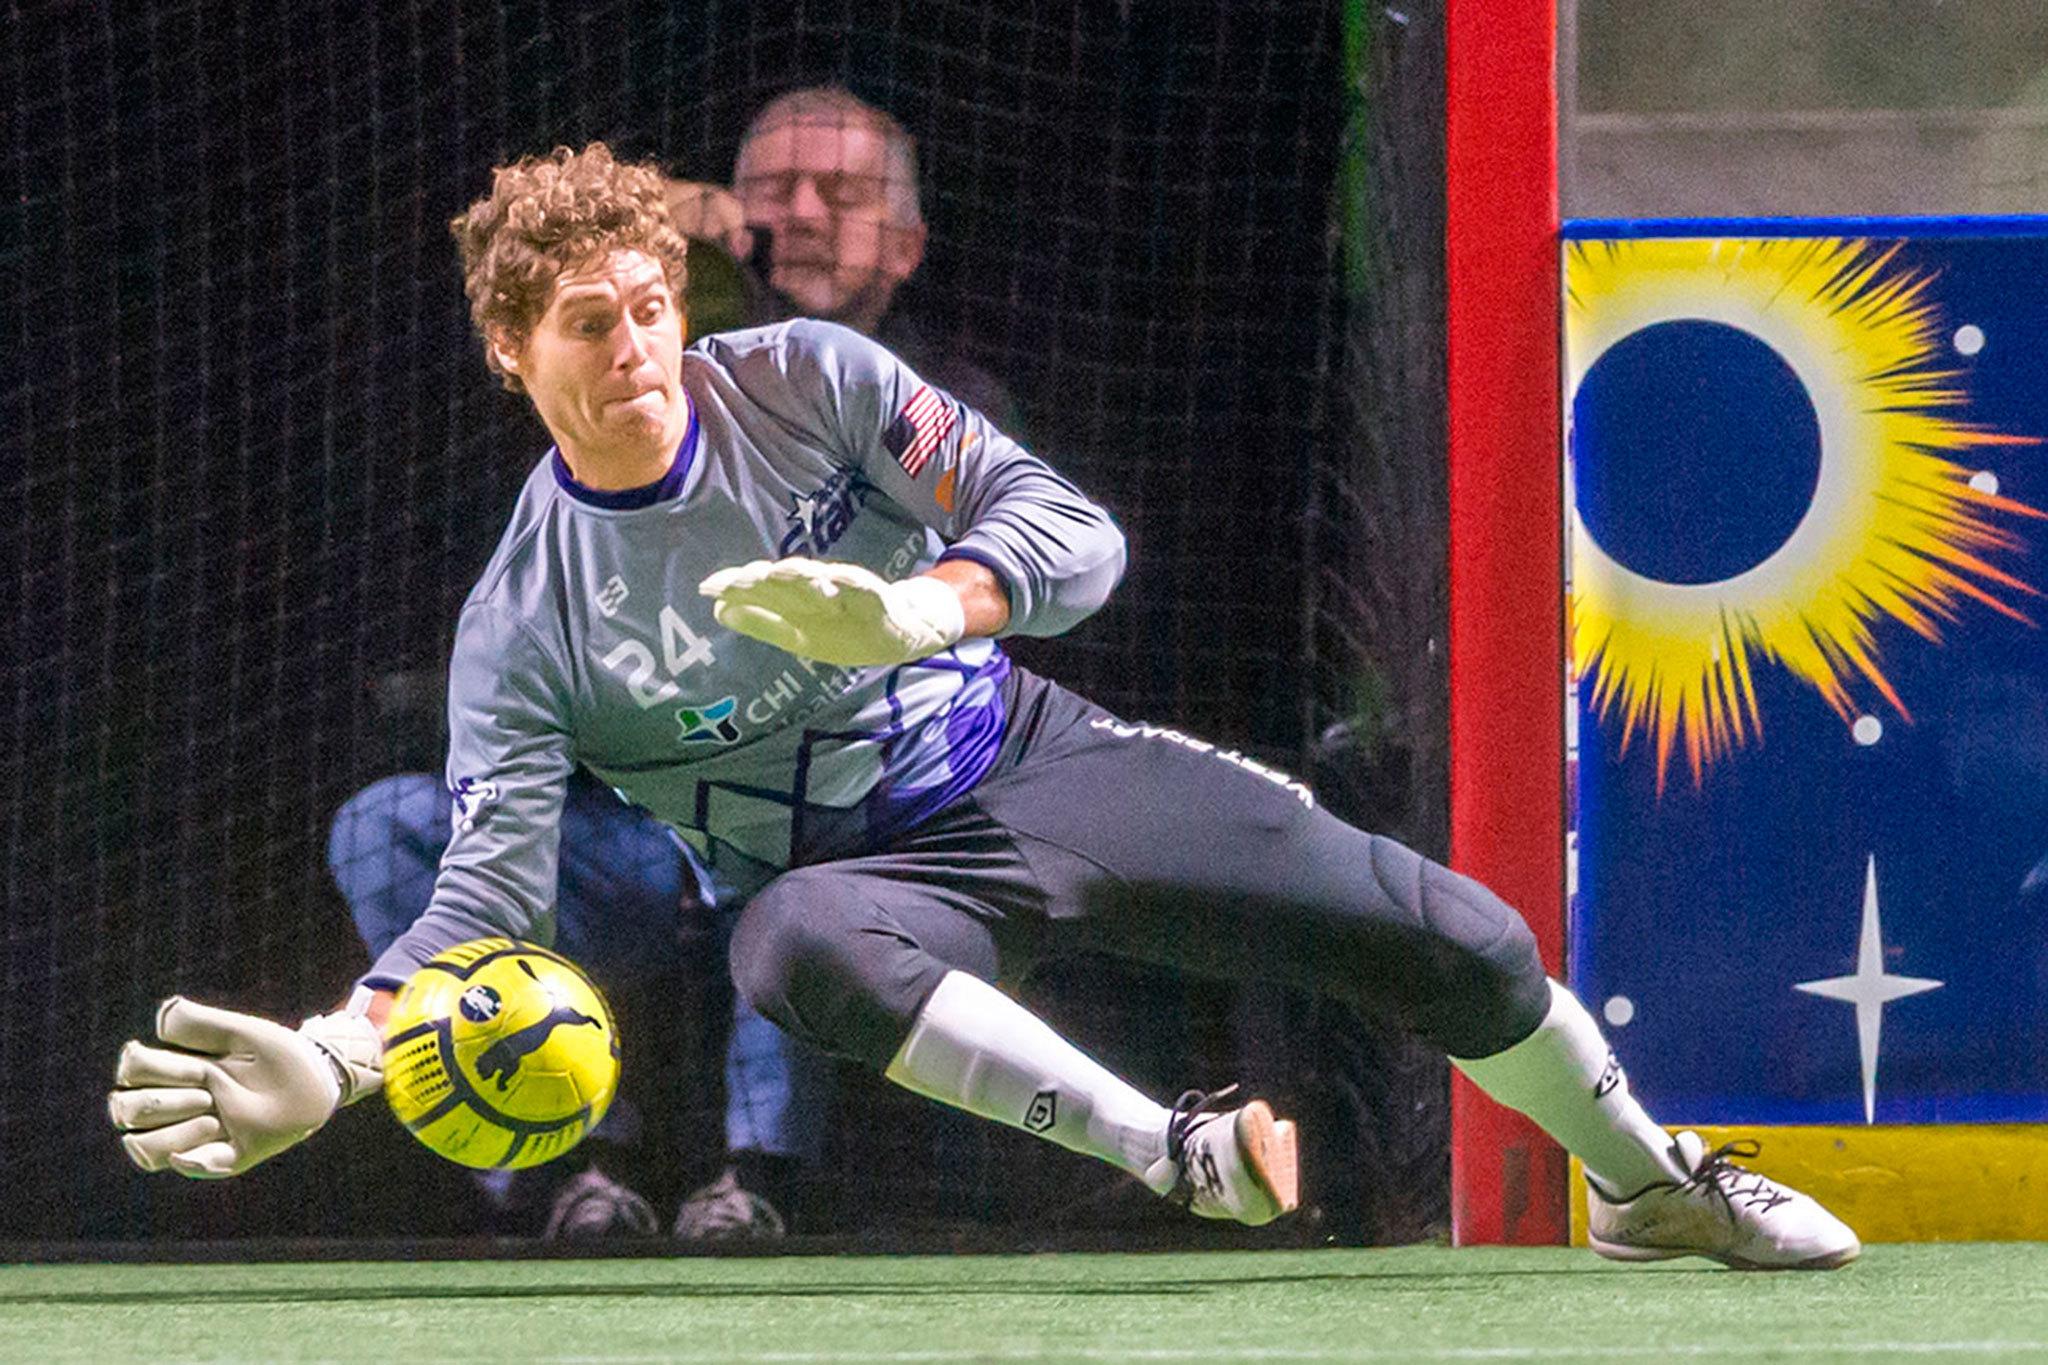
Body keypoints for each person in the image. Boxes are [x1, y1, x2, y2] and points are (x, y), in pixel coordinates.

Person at [109, 141, 1860, 1271]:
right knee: (785, 946)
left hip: (1030, 759)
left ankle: (1650, 1184)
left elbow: (1075, 535)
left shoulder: (806, 377)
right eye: (590, 322)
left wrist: (913, 604)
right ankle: (1171, 1155)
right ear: (516, 354)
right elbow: (485, 899)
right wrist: (343, 1061)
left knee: (1457, 936)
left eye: (653, 305)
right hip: (861, 882)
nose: (639, 345)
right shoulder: (527, 621)